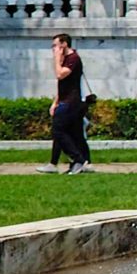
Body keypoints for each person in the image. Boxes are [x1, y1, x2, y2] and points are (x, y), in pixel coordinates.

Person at [47, 33, 92, 174]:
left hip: (71, 102)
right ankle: (79, 162)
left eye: (56, 45)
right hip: (64, 101)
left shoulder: (73, 59)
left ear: (64, 44)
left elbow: (60, 75)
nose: (54, 48)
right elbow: (61, 84)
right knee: (74, 133)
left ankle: (77, 159)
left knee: (58, 130)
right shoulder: (65, 59)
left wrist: (56, 59)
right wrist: (55, 102)